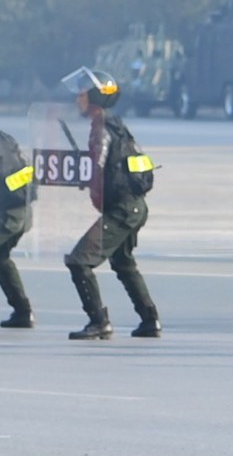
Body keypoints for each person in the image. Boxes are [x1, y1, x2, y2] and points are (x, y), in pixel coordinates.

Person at [59, 67, 161, 340]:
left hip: (122, 210)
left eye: (81, 95)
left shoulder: (101, 129)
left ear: (93, 97)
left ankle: (98, 321)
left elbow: (97, 168)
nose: (77, 100)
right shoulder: (117, 125)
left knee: (79, 260)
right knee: (123, 263)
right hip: (135, 207)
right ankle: (150, 320)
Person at [0, 124, 36, 328]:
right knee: (1, 258)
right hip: (21, 211)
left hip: (8, 215)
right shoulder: (6, 139)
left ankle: (23, 311)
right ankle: (23, 311)